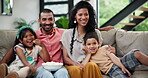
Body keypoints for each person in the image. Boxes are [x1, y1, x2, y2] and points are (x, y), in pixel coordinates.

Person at [60, 1, 104, 78]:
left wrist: (110, 50)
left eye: (86, 14)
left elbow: (99, 52)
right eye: (80, 15)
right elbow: (65, 58)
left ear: (89, 16)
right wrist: (76, 64)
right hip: (73, 66)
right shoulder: (67, 34)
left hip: (89, 65)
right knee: (76, 70)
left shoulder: (96, 33)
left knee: (91, 65)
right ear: (75, 17)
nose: (83, 17)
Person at [83, 31, 148, 78]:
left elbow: (113, 57)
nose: (92, 46)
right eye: (89, 44)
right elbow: (83, 66)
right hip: (112, 70)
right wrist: (88, 54)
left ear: (98, 43)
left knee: (136, 53)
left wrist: (122, 67)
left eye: (94, 43)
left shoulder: (104, 48)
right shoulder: (89, 59)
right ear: (85, 46)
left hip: (120, 62)